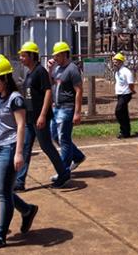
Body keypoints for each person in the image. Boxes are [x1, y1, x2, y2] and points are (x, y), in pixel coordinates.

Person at [0, 54, 39, 253]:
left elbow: (21, 126)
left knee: (4, 193)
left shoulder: (16, 99)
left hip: (10, 147)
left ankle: (0, 236)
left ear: (5, 79)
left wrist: (19, 153)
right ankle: (27, 210)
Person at [14, 41, 70, 191]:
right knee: (25, 147)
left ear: (32, 56)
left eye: (24, 55)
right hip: (29, 117)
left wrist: (43, 115)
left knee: (46, 147)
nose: (21, 58)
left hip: (39, 117)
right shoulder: (29, 73)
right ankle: (19, 182)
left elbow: (48, 92)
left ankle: (63, 174)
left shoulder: (40, 72)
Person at [47, 41, 86, 178]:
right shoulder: (57, 69)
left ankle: (63, 171)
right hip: (56, 107)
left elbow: (79, 91)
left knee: (64, 139)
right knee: (55, 136)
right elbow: (50, 84)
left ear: (64, 54)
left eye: (57, 55)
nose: (55, 58)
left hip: (67, 108)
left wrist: (77, 112)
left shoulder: (72, 69)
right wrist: (50, 70)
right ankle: (78, 156)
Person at [112, 52, 135, 139]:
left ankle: (123, 130)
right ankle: (126, 132)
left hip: (125, 94)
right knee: (124, 113)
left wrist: (132, 90)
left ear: (121, 62)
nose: (114, 63)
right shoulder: (117, 72)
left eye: (116, 61)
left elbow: (131, 83)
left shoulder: (126, 72)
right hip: (120, 95)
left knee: (118, 111)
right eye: (114, 62)